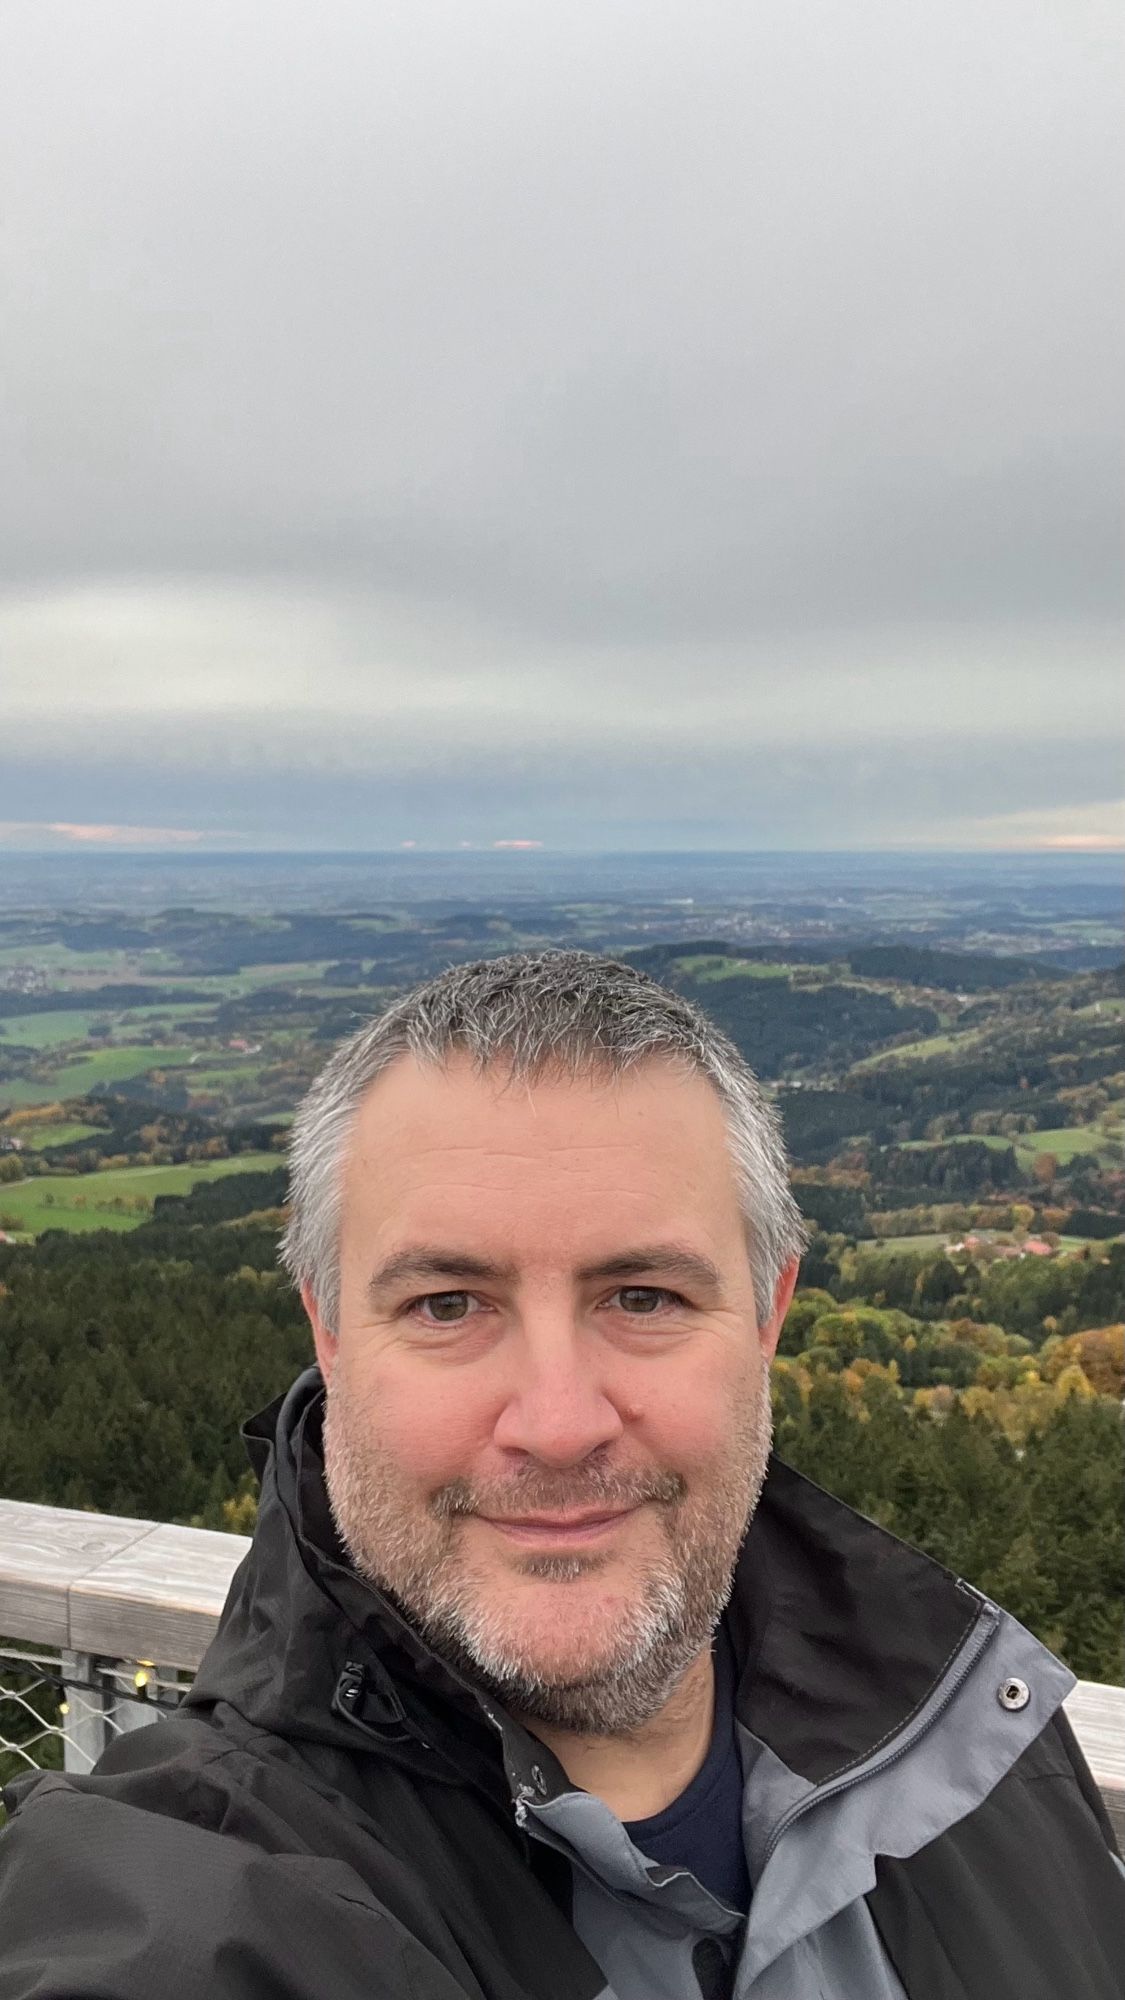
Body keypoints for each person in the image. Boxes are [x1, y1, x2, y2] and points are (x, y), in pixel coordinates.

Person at [0, 950, 1122, 2000]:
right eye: (448, 1304)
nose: (557, 1421)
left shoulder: (982, 1737)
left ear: (770, 1314)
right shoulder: (203, 1901)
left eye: (643, 1297)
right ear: (330, 1335)